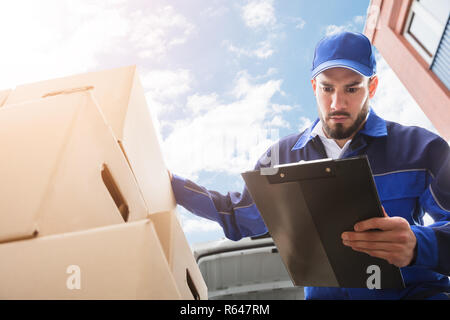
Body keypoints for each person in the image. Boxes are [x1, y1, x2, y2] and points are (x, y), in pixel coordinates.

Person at [168, 31, 450, 300]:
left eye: (352, 88)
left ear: (372, 87)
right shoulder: (281, 157)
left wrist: (418, 244)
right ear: (314, 86)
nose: (337, 103)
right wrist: (166, 182)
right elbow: (238, 216)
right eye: (327, 88)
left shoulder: (422, 149)